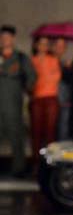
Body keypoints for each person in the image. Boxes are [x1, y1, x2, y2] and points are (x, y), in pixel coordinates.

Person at [0, 25, 35, 177]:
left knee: (16, 136)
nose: (5, 40)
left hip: (13, 104)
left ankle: (19, 169)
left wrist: (27, 87)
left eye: (8, 37)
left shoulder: (20, 58)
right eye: (2, 37)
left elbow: (32, 77)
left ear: (13, 39)